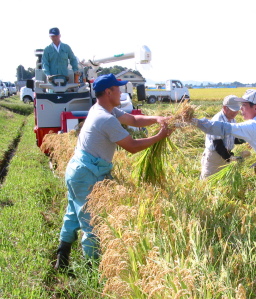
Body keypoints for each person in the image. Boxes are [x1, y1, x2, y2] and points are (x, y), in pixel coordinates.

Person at [54, 73, 172, 271]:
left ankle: (62, 259)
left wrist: (157, 119)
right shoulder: (105, 118)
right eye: (118, 88)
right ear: (108, 92)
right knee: (92, 224)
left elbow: (133, 119)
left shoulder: (101, 108)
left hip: (78, 170)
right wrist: (159, 136)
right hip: (87, 174)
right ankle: (92, 270)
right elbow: (132, 146)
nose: (121, 91)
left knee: (73, 215)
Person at [200, 95, 244, 179]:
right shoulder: (217, 120)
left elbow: (230, 138)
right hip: (215, 156)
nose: (235, 113)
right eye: (233, 110)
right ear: (225, 108)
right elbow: (217, 144)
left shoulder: (232, 119)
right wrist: (229, 157)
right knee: (209, 181)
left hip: (224, 154)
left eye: (237, 110)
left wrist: (243, 139)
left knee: (222, 182)